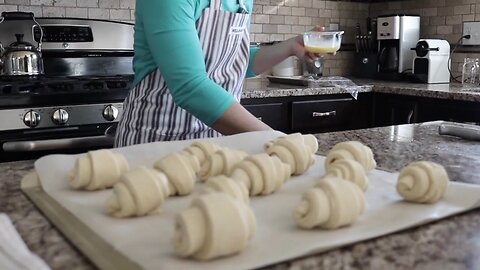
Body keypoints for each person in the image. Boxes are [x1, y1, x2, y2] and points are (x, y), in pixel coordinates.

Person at [114, 0, 326, 147]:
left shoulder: (241, 2)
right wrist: (274, 139)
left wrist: (290, 47)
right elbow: (190, 87)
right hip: (157, 140)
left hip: (215, 140)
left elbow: (236, 61)